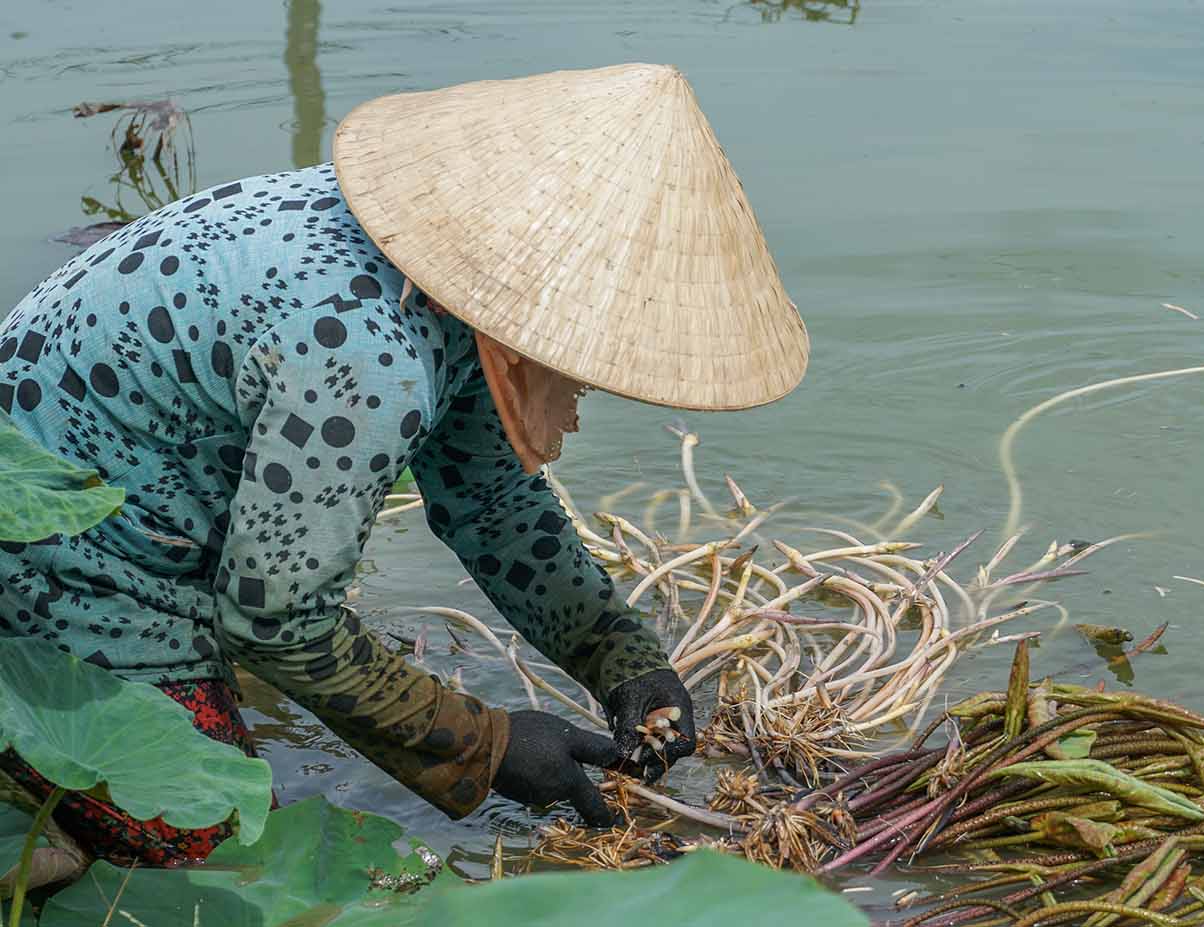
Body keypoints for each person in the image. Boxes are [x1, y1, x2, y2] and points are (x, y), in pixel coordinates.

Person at [0, 63, 807, 866]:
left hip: (111, 497)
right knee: (220, 852)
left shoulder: (425, 266)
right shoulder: (368, 354)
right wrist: (487, 745)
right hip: (56, 544)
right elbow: (277, 618)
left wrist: (622, 657)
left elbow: (491, 503)